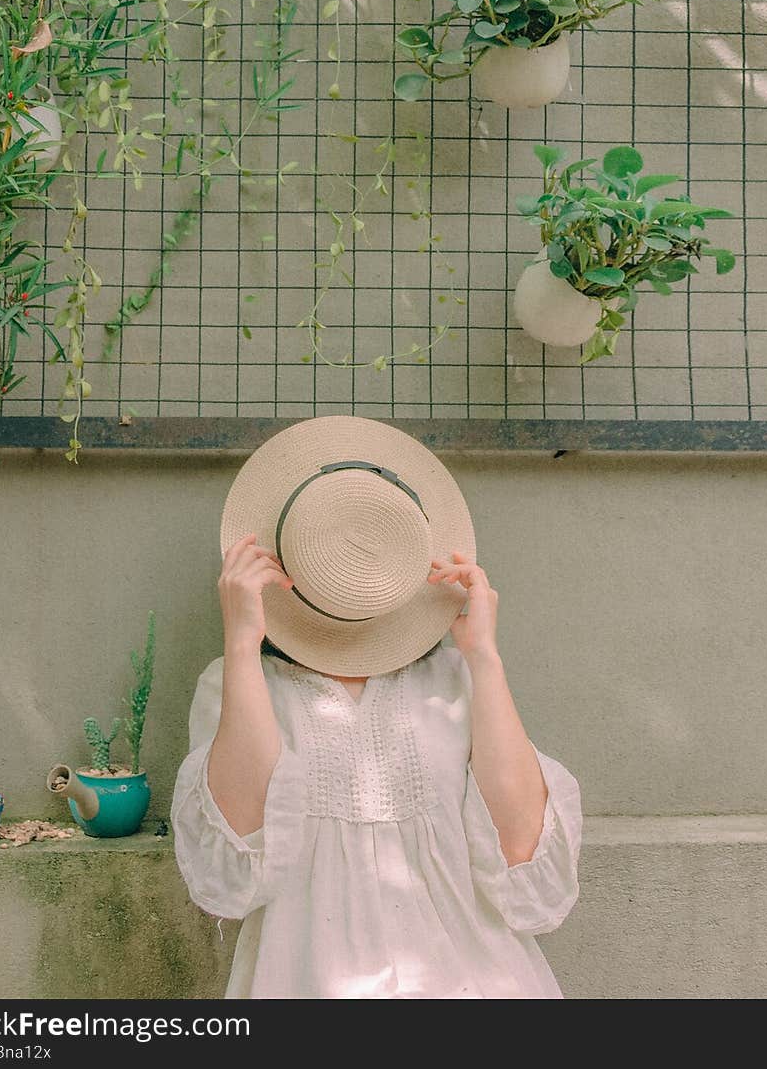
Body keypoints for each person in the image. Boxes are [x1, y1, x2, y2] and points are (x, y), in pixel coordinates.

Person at [171, 415, 581, 999]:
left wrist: (483, 656)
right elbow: (235, 864)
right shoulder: (239, 685)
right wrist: (240, 640)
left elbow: (523, 856)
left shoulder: (454, 681)